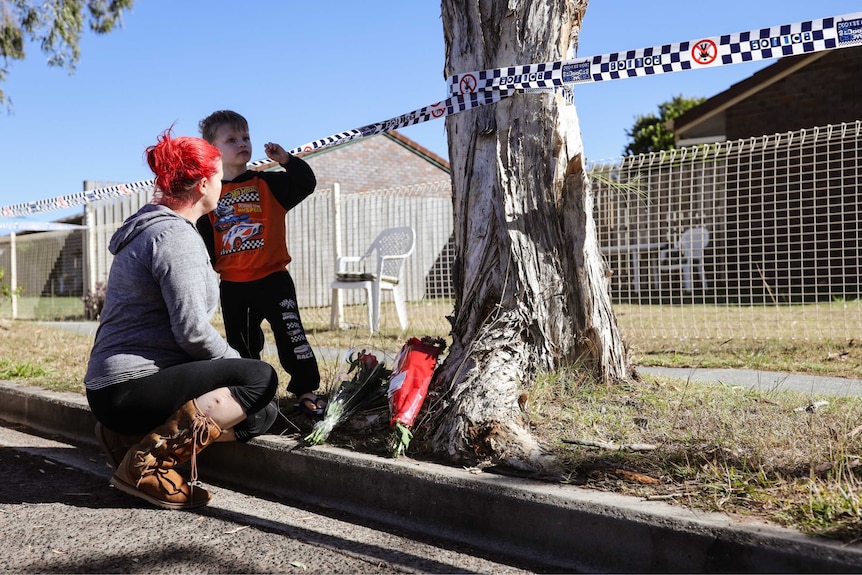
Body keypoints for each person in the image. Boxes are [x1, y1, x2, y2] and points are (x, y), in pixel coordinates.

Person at [85, 130, 280, 510]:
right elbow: (191, 332)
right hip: (129, 385)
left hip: (113, 387)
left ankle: (125, 439)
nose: (222, 185)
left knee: (262, 412)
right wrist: (238, 363)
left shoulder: (154, 228)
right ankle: (150, 461)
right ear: (204, 183)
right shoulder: (175, 236)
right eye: (220, 178)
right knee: (260, 379)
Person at [196, 110, 325, 417]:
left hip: (274, 279)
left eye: (246, 137)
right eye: (231, 139)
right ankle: (251, 395)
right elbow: (203, 231)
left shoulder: (268, 183)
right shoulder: (209, 194)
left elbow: (306, 183)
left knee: (292, 336)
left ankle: (307, 390)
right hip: (234, 285)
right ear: (214, 150)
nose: (242, 143)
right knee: (242, 345)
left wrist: (287, 160)